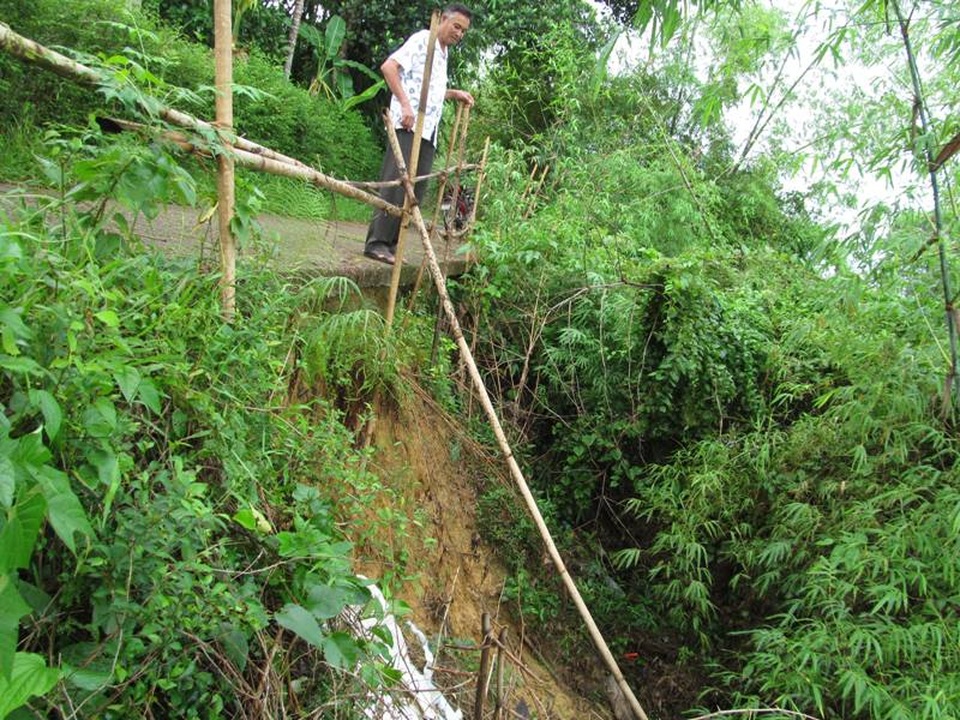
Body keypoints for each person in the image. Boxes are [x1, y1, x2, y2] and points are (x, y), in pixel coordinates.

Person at [363, 4, 474, 265]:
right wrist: (404, 104)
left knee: (416, 189)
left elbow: (431, 91)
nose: (459, 34)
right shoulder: (423, 40)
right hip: (408, 125)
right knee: (397, 182)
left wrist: (453, 93)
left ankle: (392, 244)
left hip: (428, 131)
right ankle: (377, 243)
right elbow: (389, 67)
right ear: (442, 20)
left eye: (463, 31)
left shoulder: (443, 53)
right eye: (456, 26)